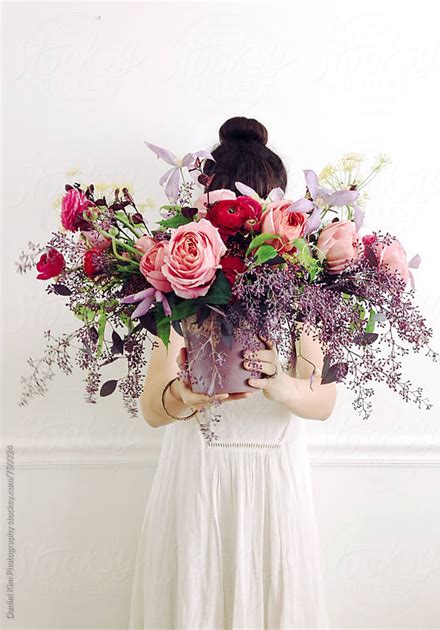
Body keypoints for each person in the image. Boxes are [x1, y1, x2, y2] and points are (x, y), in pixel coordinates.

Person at [128, 116, 336, 629]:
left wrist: (280, 383)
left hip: (273, 487)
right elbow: (153, 409)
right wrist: (187, 394)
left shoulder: (301, 284)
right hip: (196, 484)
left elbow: (323, 402)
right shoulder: (179, 283)